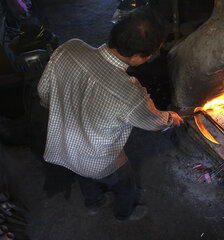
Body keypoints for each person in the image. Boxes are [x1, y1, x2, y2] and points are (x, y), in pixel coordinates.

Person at [37, 6, 183, 221]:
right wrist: (172, 118)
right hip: (99, 160)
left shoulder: (69, 48)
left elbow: (44, 93)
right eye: (151, 54)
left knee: (83, 174)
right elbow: (153, 122)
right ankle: (125, 212)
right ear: (136, 57)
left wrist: (69, 109)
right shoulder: (131, 94)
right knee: (125, 180)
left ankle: (94, 203)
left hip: (65, 147)